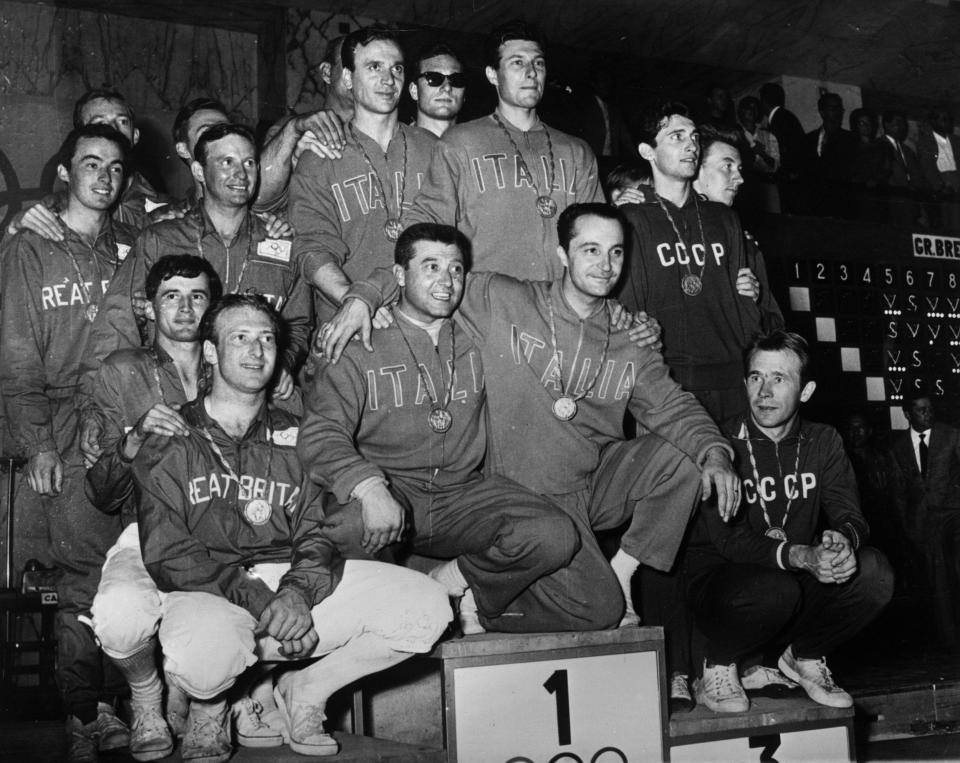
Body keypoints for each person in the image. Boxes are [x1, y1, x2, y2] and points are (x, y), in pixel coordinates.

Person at [322, 205, 739, 632]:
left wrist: (714, 452)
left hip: (592, 483)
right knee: (600, 611)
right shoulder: (501, 299)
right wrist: (360, 299)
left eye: (615, 252)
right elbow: (424, 278)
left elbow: (672, 405)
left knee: (688, 458)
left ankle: (620, 573)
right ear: (561, 254)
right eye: (590, 250)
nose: (604, 265)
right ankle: (476, 596)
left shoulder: (630, 335)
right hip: (525, 492)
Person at [131, 294, 451, 761]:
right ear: (213, 352)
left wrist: (298, 593)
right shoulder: (171, 434)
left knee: (427, 608)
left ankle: (305, 691)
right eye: (240, 338)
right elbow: (168, 551)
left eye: (266, 339)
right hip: (208, 589)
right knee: (205, 660)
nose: (256, 352)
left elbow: (317, 530)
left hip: (284, 582)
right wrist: (264, 603)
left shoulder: (300, 433)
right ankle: (211, 703)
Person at [303, 222, 615, 633]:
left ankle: (453, 586)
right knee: (348, 527)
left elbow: (560, 310)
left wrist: (617, 315)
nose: (446, 281)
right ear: (399, 277)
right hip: (391, 488)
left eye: (455, 269)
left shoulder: (479, 334)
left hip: (461, 496)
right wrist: (369, 487)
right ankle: (365, 631)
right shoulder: (360, 340)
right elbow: (320, 434)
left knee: (553, 534)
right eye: (430, 267)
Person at [0, 123, 137, 761]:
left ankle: (124, 700)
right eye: (90, 164)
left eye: (114, 167)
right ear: (65, 172)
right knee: (85, 568)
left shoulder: (131, 247)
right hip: (58, 420)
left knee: (127, 564)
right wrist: (37, 445)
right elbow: (17, 356)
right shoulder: (30, 246)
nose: (103, 178)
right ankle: (90, 709)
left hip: (117, 419)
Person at [683, 331, 893, 713]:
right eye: (755, 377)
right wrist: (800, 555)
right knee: (776, 588)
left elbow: (852, 516)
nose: (764, 391)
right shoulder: (719, 442)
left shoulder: (823, 440)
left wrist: (841, 541)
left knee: (874, 572)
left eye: (779, 378)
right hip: (722, 585)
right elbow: (729, 542)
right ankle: (716, 665)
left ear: (806, 391)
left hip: (788, 580)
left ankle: (804, 657)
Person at [82, 256, 221, 761]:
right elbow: (102, 493)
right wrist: (136, 437)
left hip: (226, 535)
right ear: (148, 305)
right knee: (118, 617)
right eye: (172, 296)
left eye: (198, 296)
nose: (185, 308)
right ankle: (146, 696)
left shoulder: (236, 358)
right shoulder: (121, 371)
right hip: (148, 529)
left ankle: (212, 702)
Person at [88, 123, 312, 394]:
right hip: (174, 397)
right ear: (199, 171)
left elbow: (297, 324)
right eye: (227, 162)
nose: (240, 174)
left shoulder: (281, 243)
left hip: (256, 397)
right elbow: (117, 323)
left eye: (249, 162)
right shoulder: (161, 239)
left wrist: (283, 365)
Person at [406, 20, 604, 281]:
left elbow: (600, 236)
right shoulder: (460, 142)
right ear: (492, 75)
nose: (532, 72)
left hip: (563, 309)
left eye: (539, 63)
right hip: (488, 312)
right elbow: (423, 226)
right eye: (517, 63)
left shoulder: (576, 151)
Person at [618, 101, 767, 423]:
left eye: (694, 137)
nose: (691, 145)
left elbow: (744, 303)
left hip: (731, 379)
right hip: (668, 383)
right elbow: (630, 312)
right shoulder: (632, 219)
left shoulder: (724, 218)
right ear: (648, 151)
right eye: (676, 136)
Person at [289, 26, 438, 326]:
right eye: (374, 67)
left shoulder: (433, 148)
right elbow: (312, 248)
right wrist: (353, 301)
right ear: (347, 79)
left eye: (396, 68)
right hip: (352, 329)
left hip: (427, 324)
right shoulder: (320, 156)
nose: (388, 79)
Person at [6, 89, 168, 239]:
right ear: (80, 137)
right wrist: (14, 227)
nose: (113, 130)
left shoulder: (164, 208)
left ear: (135, 135)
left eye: (123, 122)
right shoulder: (54, 207)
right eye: (99, 123)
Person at [888, 391, 960, 645]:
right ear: (907, 414)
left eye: (929, 409)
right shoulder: (898, 449)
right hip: (923, 525)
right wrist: (909, 527)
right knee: (938, 583)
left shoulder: (951, 435)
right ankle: (949, 640)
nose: (927, 414)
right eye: (920, 410)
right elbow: (898, 494)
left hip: (954, 516)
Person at [408, 42, 467, 138]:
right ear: (414, 90)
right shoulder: (393, 146)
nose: (447, 87)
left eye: (456, 80)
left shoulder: (481, 147)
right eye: (434, 78)